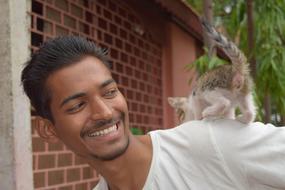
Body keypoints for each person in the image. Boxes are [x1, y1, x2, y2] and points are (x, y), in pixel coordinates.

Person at [21, 36, 285, 190]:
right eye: (77, 105)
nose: (104, 112)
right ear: (49, 129)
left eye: (110, 92)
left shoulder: (207, 144)